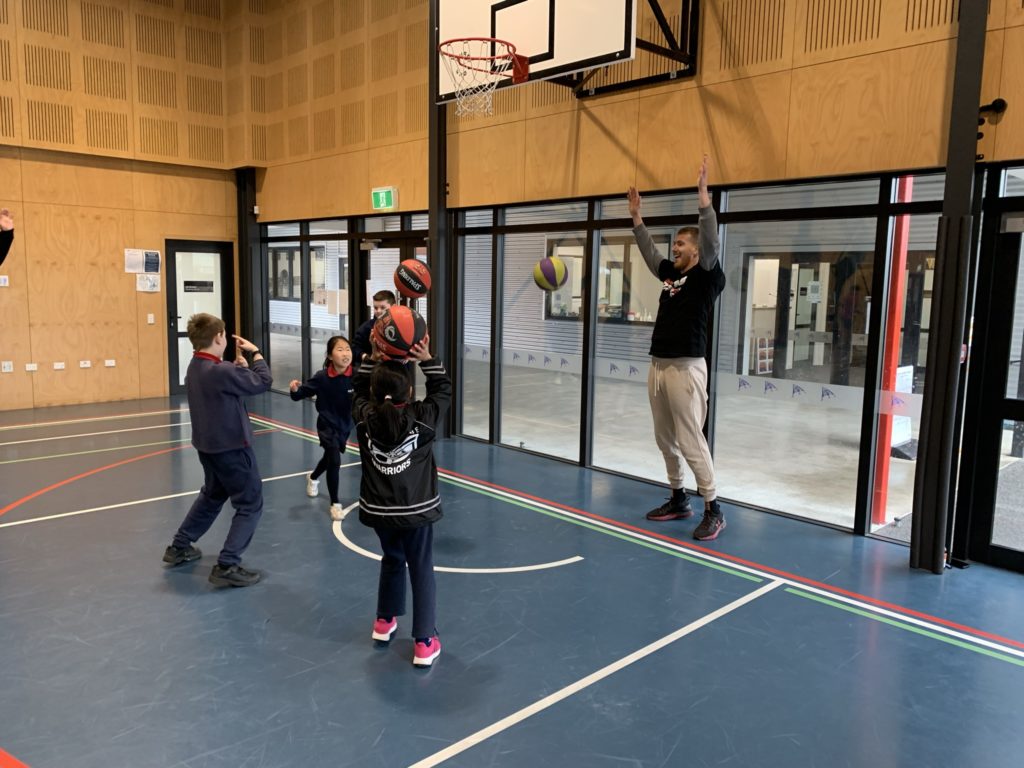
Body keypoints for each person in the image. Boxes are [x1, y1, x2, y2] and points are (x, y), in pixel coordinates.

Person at [627, 155, 727, 541]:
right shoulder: (672, 274)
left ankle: (713, 508)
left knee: (690, 439)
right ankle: (678, 497)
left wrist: (704, 199)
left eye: (682, 242)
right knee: (664, 438)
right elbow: (651, 253)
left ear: (698, 250)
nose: (675, 247)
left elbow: (712, 237)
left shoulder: (706, 276)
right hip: (659, 366)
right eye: (675, 242)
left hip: (686, 368)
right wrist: (637, 218)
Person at [353, 336, 451, 667]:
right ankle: (424, 641)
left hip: (379, 512)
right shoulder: (422, 418)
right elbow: (443, 390)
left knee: (392, 558)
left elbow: (357, 389)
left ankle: (384, 621)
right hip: (416, 512)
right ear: (409, 392)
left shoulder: (364, 416)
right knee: (420, 568)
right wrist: (427, 357)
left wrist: (371, 357)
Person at [162, 313, 273, 587]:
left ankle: (179, 546)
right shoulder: (222, 371)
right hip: (233, 447)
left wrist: (240, 369)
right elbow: (263, 382)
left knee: (212, 495)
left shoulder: (196, 366)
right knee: (250, 503)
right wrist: (256, 355)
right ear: (219, 338)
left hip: (208, 447)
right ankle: (228, 563)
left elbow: (232, 383)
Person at [289, 335, 355, 521]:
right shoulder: (322, 377)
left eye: (348, 349)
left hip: (345, 425)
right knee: (334, 459)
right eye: (340, 349)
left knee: (329, 459)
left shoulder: (357, 376)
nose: (345, 353)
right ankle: (335, 504)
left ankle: (313, 476)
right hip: (327, 425)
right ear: (330, 355)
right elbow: (299, 395)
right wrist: (295, 389)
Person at [351, 289, 396, 364]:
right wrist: (366, 357)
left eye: (382, 307)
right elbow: (355, 348)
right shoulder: (366, 327)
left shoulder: (402, 326)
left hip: (399, 371)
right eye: (375, 308)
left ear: (393, 307)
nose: (378, 311)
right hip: (374, 370)